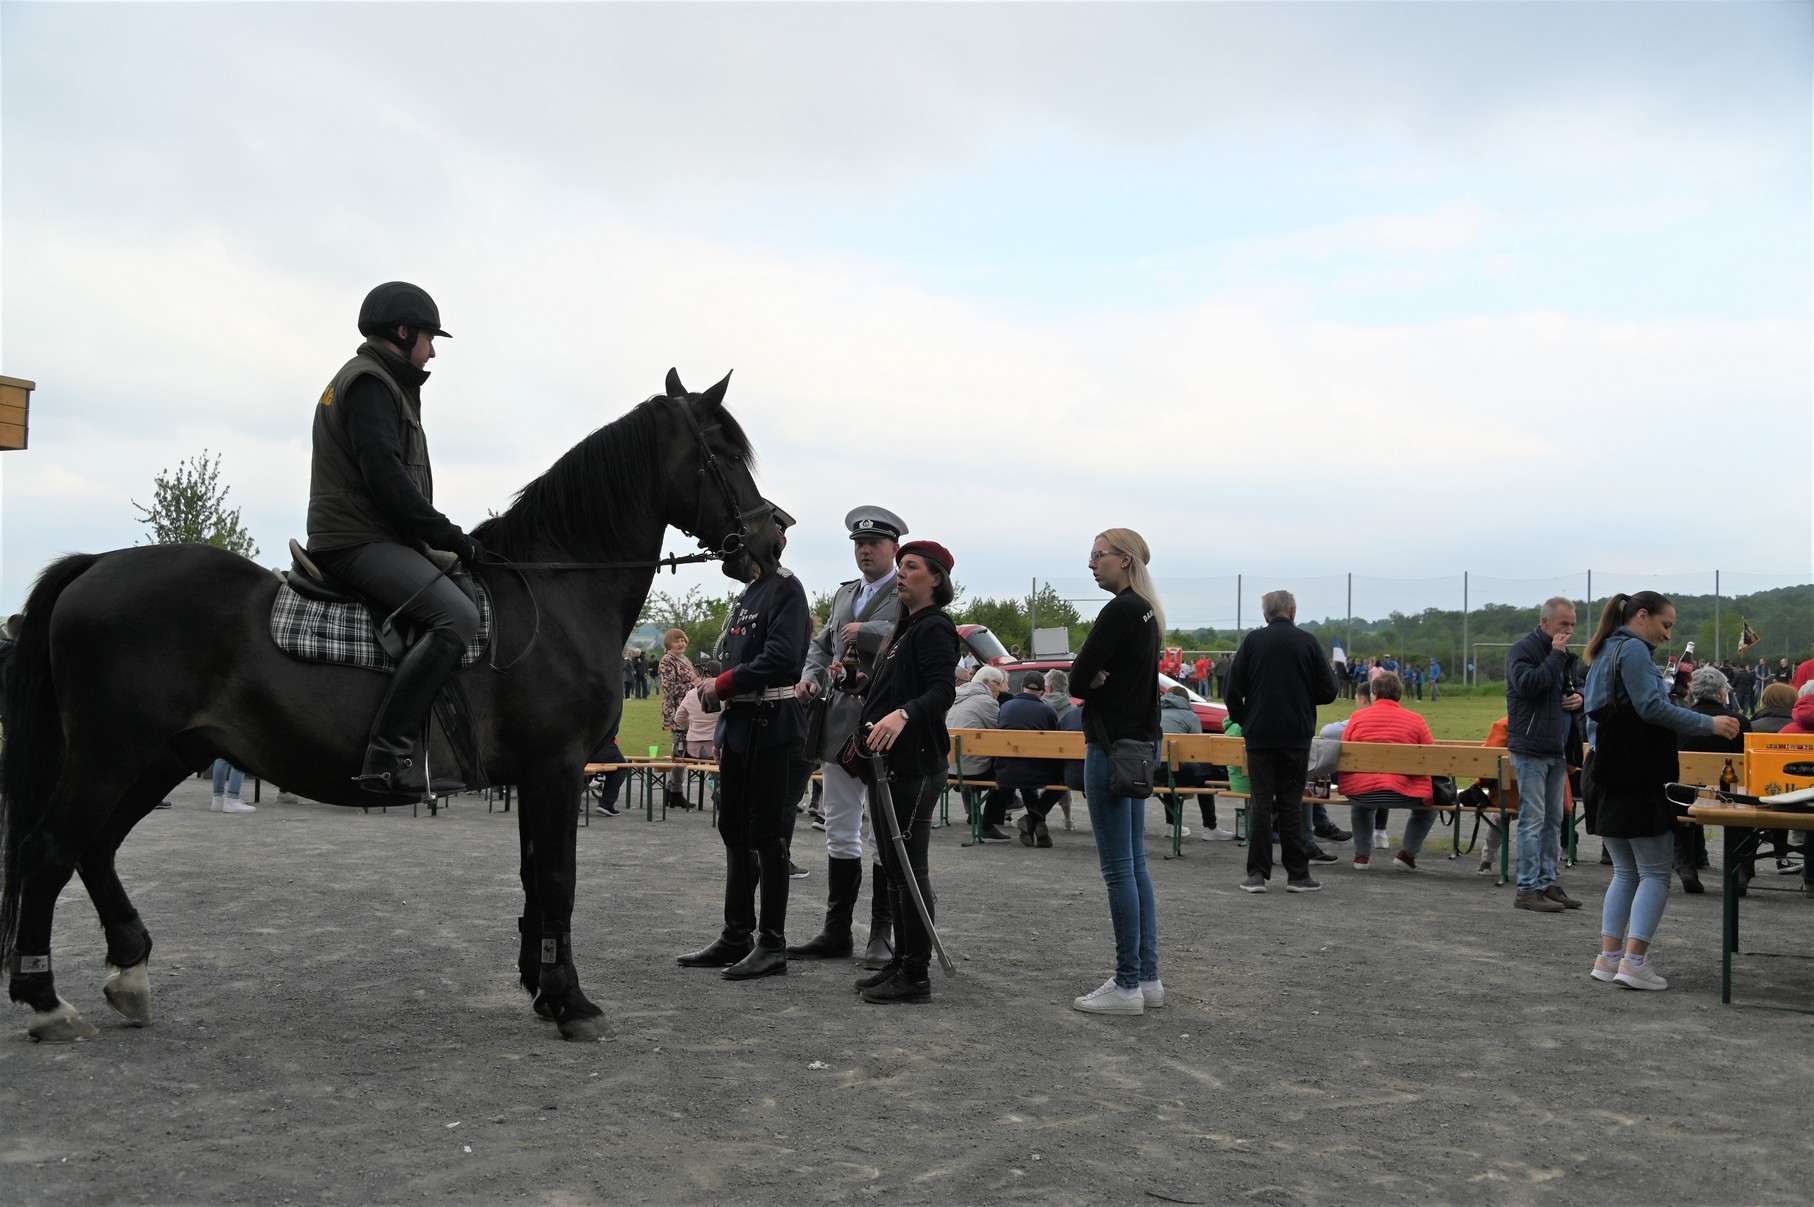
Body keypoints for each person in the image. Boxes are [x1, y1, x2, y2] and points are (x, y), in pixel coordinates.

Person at [307, 281, 482, 800]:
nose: (433, 352)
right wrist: (451, 536)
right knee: (457, 617)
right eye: (430, 338)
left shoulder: (383, 382)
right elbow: (387, 482)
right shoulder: (370, 384)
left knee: (466, 590)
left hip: (375, 533)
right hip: (357, 539)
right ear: (403, 332)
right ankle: (387, 756)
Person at [676, 509, 810, 981]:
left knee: (768, 835)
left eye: (745, 535)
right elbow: (732, 659)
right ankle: (737, 934)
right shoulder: (748, 593)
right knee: (733, 829)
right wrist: (721, 729)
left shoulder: (787, 589)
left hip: (772, 724)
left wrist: (721, 685)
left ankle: (772, 944)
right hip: (739, 726)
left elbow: (782, 658)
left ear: (772, 540)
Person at [1581, 591, 1738, 991]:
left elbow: (1625, 709)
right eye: (1665, 625)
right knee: (1653, 873)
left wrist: (1668, 696)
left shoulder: (1604, 650)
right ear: (1642, 616)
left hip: (1602, 769)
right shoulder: (1633, 650)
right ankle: (1634, 962)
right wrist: (1709, 723)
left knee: (1625, 872)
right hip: (1635, 774)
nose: (1668, 634)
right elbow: (1649, 710)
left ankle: (1609, 958)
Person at [789, 506, 908, 966]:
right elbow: (822, 646)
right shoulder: (844, 594)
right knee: (839, 827)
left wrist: (868, 631)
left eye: (874, 544)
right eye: (859, 544)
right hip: (839, 724)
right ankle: (836, 931)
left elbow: (909, 634)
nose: (865, 551)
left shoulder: (907, 590)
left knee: (883, 831)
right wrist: (811, 677)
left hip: (884, 724)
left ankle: (881, 933)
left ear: (894, 549)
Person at [850, 540, 960, 1004]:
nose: (900, 572)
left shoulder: (935, 626)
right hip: (888, 765)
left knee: (910, 870)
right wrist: (861, 685)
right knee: (895, 870)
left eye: (910, 566)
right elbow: (899, 687)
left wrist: (904, 714)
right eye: (900, 565)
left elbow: (942, 692)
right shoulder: (907, 628)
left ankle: (916, 973)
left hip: (915, 766)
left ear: (935, 579)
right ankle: (902, 961)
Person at [1070, 528, 1164, 1016]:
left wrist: (1091, 678)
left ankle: (1126, 985)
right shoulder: (1147, 612)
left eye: (1098, 555)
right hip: (1139, 746)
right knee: (1135, 866)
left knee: (1118, 870)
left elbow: (1076, 678)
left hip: (1110, 748)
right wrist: (1093, 676)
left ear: (1124, 559)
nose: (1091, 564)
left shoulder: (1119, 610)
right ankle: (1147, 978)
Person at [1223, 589, 1339, 894]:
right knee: (1290, 804)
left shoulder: (1252, 642)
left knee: (1261, 804)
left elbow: (1231, 689)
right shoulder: (1308, 642)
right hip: (1296, 734)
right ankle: (1298, 875)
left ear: (1266, 614)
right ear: (1293, 612)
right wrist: (1302, 695)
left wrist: (1244, 719)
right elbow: (1329, 690)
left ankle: (1256, 874)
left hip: (1259, 734)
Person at [1504, 597, 1586, 913]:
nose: (1569, 630)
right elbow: (1528, 685)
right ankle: (1526, 889)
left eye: (1573, 625)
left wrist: (1579, 697)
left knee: (1554, 819)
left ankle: (1547, 883)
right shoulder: (1524, 650)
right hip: (1531, 747)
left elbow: (1577, 686)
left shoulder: (1562, 655)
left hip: (1557, 748)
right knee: (1532, 819)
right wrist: (1555, 655)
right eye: (1564, 623)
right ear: (1545, 622)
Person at [1338, 673, 1438, 870]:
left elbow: (1345, 749)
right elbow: (1430, 756)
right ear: (1399, 694)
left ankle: (1361, 856)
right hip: (1405, 793)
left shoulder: (1357, 718)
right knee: (1430, 810)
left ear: (1373, 694)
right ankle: (1407, 854)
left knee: (1361, 805)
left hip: (1363, 792)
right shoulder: (1416, 720)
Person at [1678, 666, 1753, 890]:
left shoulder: (1680, 721)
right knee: (1747, 808)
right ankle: (1741, 869)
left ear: (1693, 692)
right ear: (1722, 694)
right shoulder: (1740, 722)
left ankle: (1685, 865)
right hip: (1730, 795)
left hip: (1686, 795)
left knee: (1680, 806)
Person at [998, 671, 1065, 848]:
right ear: (1043, 692)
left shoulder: (1005, 707)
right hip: (1035, 773)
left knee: (1025, 774)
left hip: (1004, 772)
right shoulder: (1048, 711)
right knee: (1063, 779)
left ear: (1021, 687)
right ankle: (1035, 817)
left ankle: (1034, 823)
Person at [946, 665, 1010, 835]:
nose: (1000, 689)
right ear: (987, 682)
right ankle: (988, 825)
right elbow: (1000, 732)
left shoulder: (956, 697)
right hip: (973, 770)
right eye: (998, 683)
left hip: (951, 768)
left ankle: (974, 814)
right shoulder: (986, 702)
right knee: (1008, 774)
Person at [658, 628, 700, 811]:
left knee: (683, 753)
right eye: (677, 641)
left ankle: (672, 791)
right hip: (677, 712)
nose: (681, 643)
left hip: (691, 711)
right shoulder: (667, 661)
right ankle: (675, 792)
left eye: (682, 640)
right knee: (680, 751)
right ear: (669, 644)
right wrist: (693, 684)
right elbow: (669, 688)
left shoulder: (685, 659)